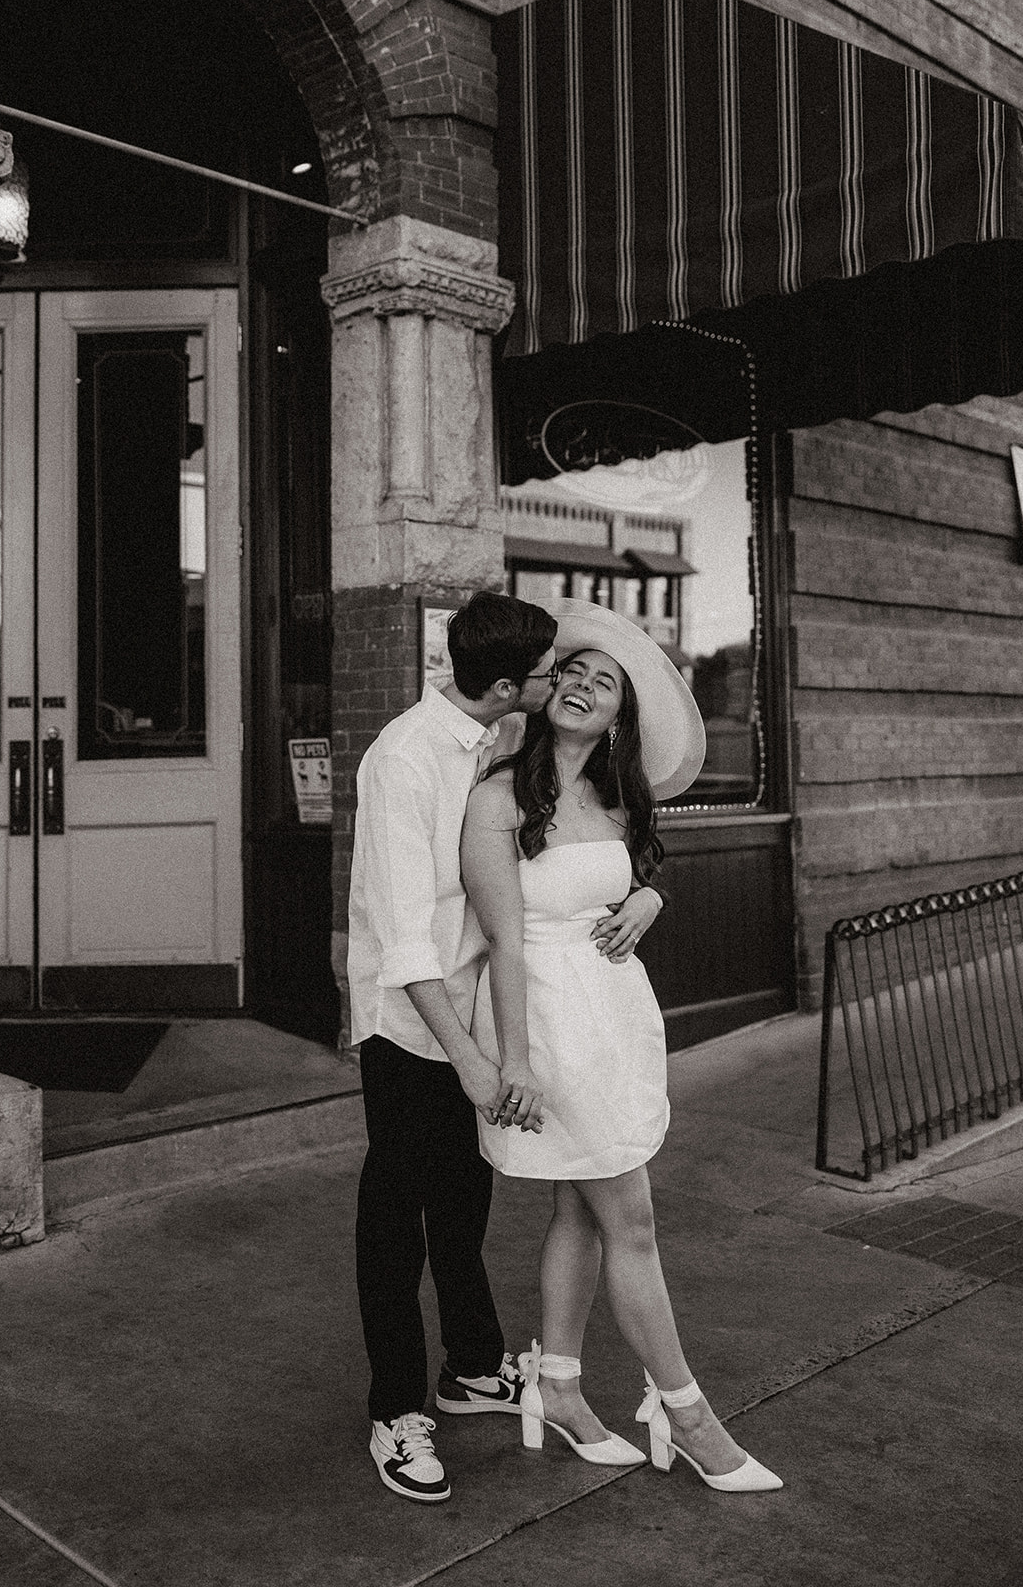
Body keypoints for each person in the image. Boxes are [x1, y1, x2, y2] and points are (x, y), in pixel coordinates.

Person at [348, 591, 666, 1504]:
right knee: (395, 1215)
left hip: (481, 1012)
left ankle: (472, 1366)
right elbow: (406, 940)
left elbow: (598, 832)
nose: (559, 682)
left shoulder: (494, 746)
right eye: (547, 673)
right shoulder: (407, 759)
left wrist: (649, 891)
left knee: (462, 1199)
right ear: (503, 685)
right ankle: (395, 1411)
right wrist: (475, 1061)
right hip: (416, 1026)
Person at [460, 598, 783, 1492]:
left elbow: (633, 872)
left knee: (579, 1210)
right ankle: (685, 1412)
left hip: (613, 1016)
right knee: (629, 1220)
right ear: (548, 690)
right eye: (573, 672)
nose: (583, 686)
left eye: (604, 683)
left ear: (617, 717)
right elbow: (505, 939)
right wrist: (513, 1059)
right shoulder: (496, 797)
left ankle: (557, 1387)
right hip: (546, 1018)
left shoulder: (615, 797)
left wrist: (651, 896)